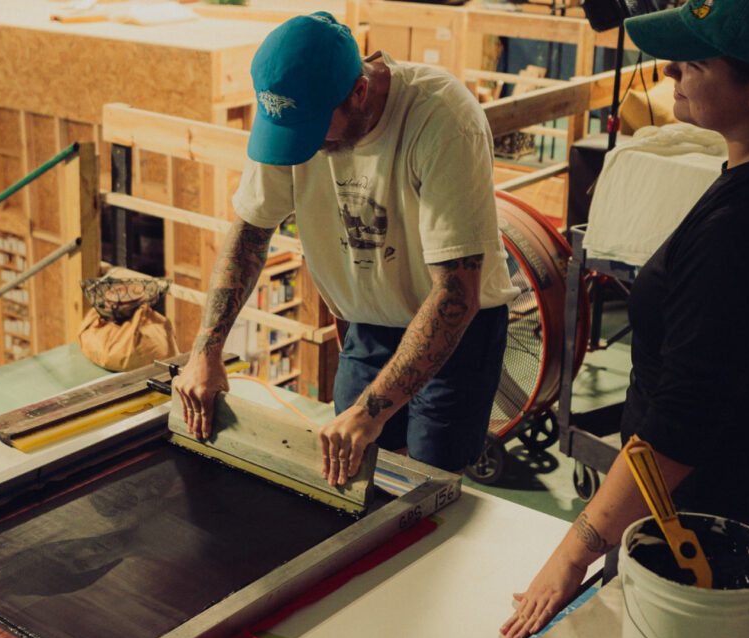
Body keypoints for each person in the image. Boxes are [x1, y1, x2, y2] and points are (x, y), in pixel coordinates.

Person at [501, 0, 749, 638]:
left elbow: (682, 422)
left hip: (698, 531)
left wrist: (574, 551)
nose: (671, 69)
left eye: (695, 63)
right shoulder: (743, 185)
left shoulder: (740, 227)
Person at [173, 11, 518, 485]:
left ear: (359, 92)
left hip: (456, 326)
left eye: (315, 132)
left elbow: (455, 292)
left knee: (429, 476)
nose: (305, 148)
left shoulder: (442, 118)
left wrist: (370, 412)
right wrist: (206, 351)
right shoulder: (292, 114)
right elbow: (250, 233)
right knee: (350, 465)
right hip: (369, 321)